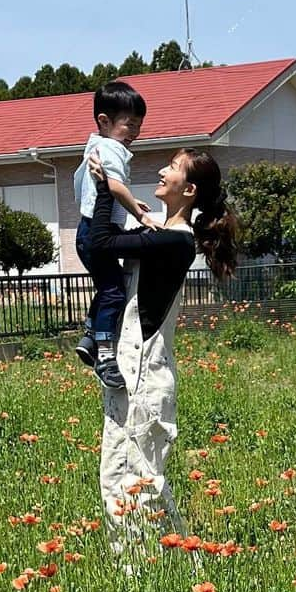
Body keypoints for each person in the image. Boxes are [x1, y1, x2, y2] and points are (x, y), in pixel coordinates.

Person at [87, 145, 240, 564]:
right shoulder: (162, 235)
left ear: (188, 189)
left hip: (146, 380)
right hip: (130, 374)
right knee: (116, 476)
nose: (160, 171)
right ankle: (133, 572)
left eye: (171, 168)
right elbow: (127, 239)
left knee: (143, 482)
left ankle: (177, 570)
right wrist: (132, 208)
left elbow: (100, 243)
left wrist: (105, 190)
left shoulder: (175, 242)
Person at [73, 81, 156, 389]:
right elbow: (114, 187)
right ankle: (105, 357)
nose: (134, 132)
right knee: (114, 292)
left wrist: (131, 202)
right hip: (100, 233)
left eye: (138, 126)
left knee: (109, 286)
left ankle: (90, 335)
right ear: (104, 122)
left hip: (88, 230)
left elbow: (83, 185)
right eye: (129, 125)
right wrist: (139, 212)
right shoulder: (111, 149)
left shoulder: (94, 145)